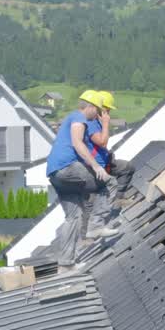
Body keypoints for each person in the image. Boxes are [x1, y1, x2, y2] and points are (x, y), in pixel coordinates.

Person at [44, 91, 110, 272]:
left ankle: (66, 264)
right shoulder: (78, 118)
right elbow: (78, 143)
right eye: (96, 110)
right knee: (104, 182)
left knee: (74, 217)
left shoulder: (71, 118)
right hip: (67, 166)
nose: (96, 115)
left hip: (55, 173)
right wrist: (96, 166)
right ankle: (96, 226)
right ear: (89, 106)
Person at [85, 90, 135, 238]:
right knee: (107, 186)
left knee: (127, 167)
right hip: (93, 167)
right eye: (106, 109)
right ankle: (95, 225)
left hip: (105, 162)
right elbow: (102, 142)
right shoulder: (91, 124)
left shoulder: (97, 123)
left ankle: (119, 200)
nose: (108, 113)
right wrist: (106, 123)